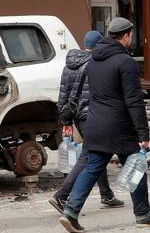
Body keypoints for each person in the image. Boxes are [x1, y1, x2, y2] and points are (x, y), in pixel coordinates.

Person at [58, 18, 150, 233]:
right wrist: (143, 133)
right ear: (126, 36)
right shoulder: (125, 62)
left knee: (92, 168)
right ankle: (143, 213)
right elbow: (133, 101)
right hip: (119, 126)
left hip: (95, 123)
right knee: (136, 165)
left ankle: (70, 212)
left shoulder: (93, 61)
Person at [49, 31, 124, 213]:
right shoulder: (96, 64)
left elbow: (63, 96)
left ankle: (106, 194)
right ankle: (61, 195)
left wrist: (65, 120)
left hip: (76, 116)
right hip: (93, 115)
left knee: (98, 153)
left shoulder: (69, 65)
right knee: (89, 156)